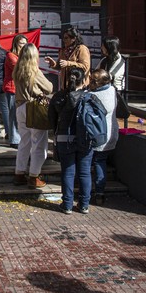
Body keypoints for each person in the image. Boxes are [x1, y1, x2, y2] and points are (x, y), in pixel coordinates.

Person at [48, 66, 91, 215]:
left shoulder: (59, 96)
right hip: (85, 139)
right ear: (84, 80)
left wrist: (56, 132)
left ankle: (67, 204)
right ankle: (84, 205)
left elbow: (51, 118)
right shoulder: (89, 97)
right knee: (85, 173)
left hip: (64, 137)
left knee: (68, 172)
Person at [13, 43, 54, 188]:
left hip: (20, 107)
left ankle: (19, 173)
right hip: (34, 107)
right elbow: (49, 87)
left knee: (24, 142)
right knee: (39, 144)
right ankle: (34, 176)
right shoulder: (34, 71)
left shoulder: (18, 70)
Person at [88, 68, 119, 206]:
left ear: (98, 83)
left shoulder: (92, 96)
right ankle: (99, 193)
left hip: (96, 135)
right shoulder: (112, 91)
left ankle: (87, 192)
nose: (90, 82)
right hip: (111, 134)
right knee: (101, 162)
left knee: (89, 164)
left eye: (93, 81)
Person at [45, 26, 91, 91]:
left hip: (79, 86)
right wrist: (53, 64)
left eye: (66, 38)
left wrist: (68, 63)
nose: (64, 40)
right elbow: (60, 66)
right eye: (63, 38)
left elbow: (85, 66)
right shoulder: (63, 50)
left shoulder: (81, 48)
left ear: (74, 38)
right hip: (65, 86)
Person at [2, 34, 27, 148]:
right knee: (14, 113)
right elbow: (20, 69)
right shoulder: (11, 56)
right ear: (16, 43)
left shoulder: (22, 56)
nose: (23, 46)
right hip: (12, 88)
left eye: (25, 43)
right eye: (21, 43)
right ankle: (14, 139)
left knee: (19, 114)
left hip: (21, 88)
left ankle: (18, 137)